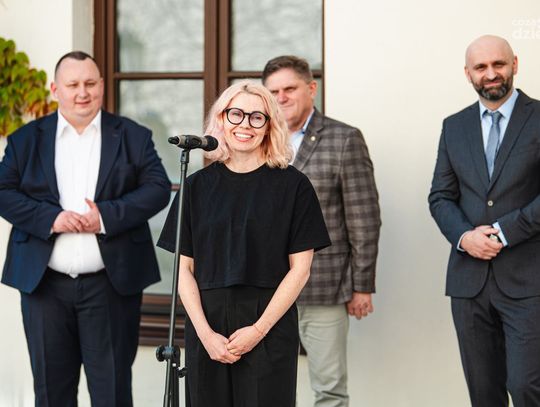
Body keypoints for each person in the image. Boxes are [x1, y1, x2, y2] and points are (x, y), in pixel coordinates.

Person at [0, 51, 171, 406]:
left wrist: (104, 217)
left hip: (111, 287)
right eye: (73, 84)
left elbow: (157, 188)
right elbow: (3, 192)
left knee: (112, 394)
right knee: (51, 394)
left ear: (102, 86)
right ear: (55, 89)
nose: (83, 92)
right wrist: (51, 219)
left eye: (90, 83)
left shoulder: (133, 136)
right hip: (44, 288)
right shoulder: (25, 139)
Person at [157, 80, 330, 407]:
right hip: (207, 324)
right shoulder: (195, 187)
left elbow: (300, 270)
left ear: (269, 126)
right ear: (221, 119)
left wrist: (258, 331)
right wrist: (205, 335)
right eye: (236, 114)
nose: (245, 125)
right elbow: (183, 271)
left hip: (268, 324)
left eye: (256, 117)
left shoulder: (294, 187)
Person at [262, 56, 381, 407]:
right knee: (266, 386)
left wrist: (362, 286)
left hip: (323, 287)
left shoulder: (344, 139)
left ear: (311, 89)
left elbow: (363, 218)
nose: (281, 98)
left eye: (289, 88)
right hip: (264, 288)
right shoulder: (257, 139)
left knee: (329, 388)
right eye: (273, 92)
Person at [429, 35, 540, 407]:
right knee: (483, 394)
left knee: (526, 387)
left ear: (514, 64)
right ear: (468, 73)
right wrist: (464, 237)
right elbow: (440, 196)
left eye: (498, 64)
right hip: (469, 282)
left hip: (529, 280)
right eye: (481, 67)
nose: (491, 74)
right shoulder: (454, 126)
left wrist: (505, 232)